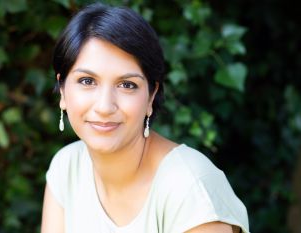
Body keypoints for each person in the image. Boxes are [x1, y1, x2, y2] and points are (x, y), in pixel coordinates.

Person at [41, 3, 249, 233]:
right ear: (62, 90)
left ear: (151, 96)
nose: (104, 106)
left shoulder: (191, 188)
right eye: (87, 81)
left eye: (127, 85)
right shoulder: (66, 167)